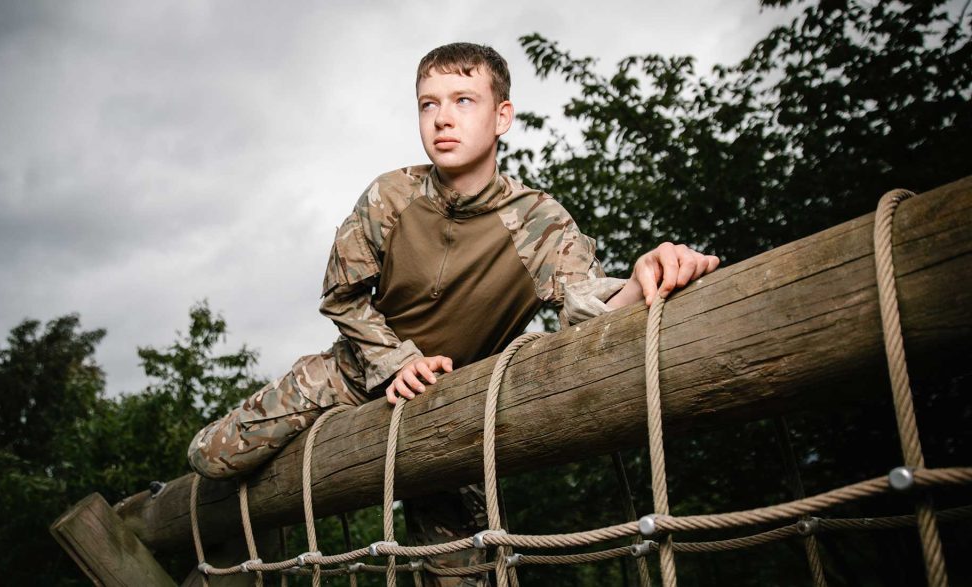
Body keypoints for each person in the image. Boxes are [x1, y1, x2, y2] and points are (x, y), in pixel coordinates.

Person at [188, 42, 719, 586]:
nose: (442, 118)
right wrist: (396, 360)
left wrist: (644, 276)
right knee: (211, 458)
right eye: (427, 104)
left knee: (468, 576)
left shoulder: (540, 220)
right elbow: (341, 295)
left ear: (502, 117)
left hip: (443, 408)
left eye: (464, 100)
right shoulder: (390, 196)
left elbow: (589, 309)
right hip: (347, 376)